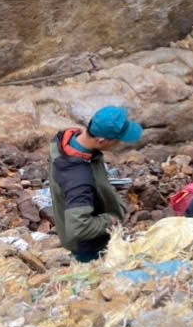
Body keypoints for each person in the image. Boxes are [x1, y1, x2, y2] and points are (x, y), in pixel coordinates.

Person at [49, 106, 143, 262]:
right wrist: (109, 220)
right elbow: (78, 228)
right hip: (89, 247)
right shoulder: (78, 179)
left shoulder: (67, 140)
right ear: (101, 140)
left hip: (91, 218)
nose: (119, 144)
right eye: (118, 141)